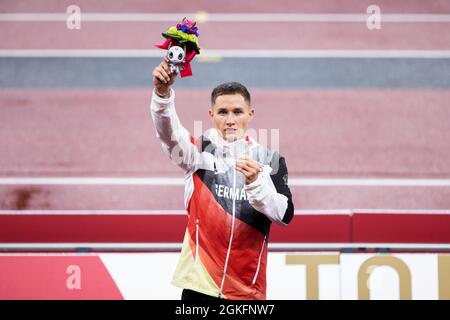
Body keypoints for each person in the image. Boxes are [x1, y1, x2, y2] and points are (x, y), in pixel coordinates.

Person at [151, 57, 294, 300]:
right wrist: (162, 96)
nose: (230, 120)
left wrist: (256, 184)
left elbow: (284, 215)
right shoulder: (198, 152)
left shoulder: (271, 161)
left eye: (237, 112)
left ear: (250, 114)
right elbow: (169, 135)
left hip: (246, 291)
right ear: (211, 114)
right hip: (199, 286)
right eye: (222, 112)